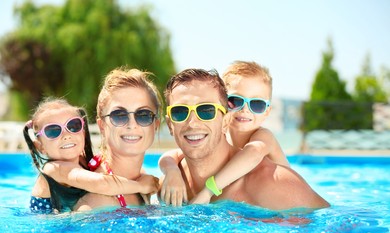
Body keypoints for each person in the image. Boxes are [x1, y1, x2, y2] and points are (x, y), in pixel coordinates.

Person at [160, 68, 330, 210]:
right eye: (180, 112)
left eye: (206, 110)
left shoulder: (274, 185)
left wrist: (208, 191)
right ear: (170, 125)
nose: (193, 122)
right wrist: (171, 170)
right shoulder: (167, 187)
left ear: (226, 120)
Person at [159, 61, 288, 206]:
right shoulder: (222, 139)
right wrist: (172, 171)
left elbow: (253, 154)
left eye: (257, 104)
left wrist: (208, 191)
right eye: (236, 101)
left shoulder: (263, 136)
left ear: (267, 112)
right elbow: (172, 155)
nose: (245, 109)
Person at [24, 97, 157, 214]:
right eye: (53, 131)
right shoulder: (54, 169)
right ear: (40, 146)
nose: (66, 135)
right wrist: (141, 186)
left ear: (83, 131)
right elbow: (102, 184)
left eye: (73, 126)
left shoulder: (82, 161)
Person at [73, 67, 162, 211]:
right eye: (119, 115)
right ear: (102, 125)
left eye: (143, 115)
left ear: (155, 125)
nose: (132, 124)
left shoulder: (145, 179)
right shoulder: (98, 203)